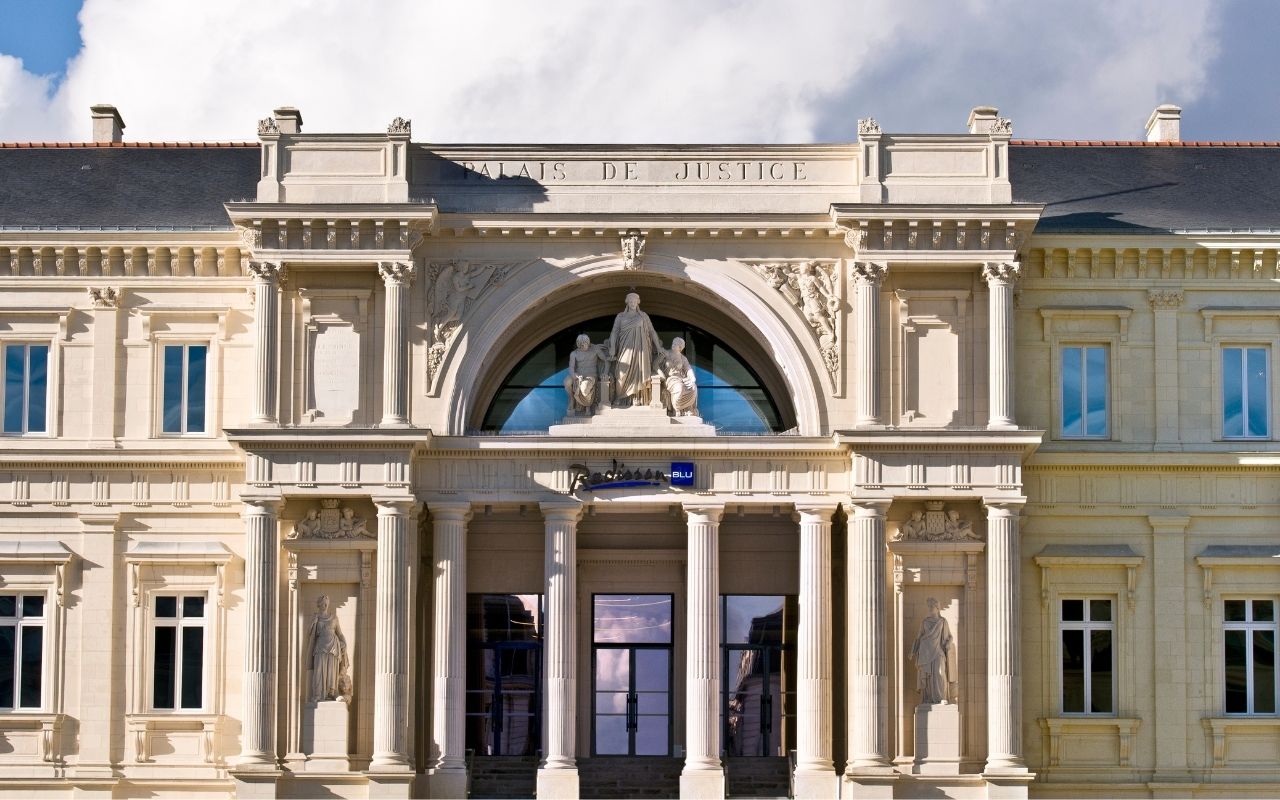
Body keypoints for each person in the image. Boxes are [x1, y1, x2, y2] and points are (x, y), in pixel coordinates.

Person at [607, 292, 663, 407]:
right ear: (627, 302)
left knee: (640, 371)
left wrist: (658, 346)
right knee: (621, 372)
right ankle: (620, 397)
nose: (632, 303)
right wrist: (612, 348)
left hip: (641, 349)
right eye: (630, 301)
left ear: (638, 302)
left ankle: (637, 398)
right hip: (625, 347)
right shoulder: (620, 316)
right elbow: (614, 332)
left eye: (634, 301)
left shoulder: (643, 316)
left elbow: (652, 331)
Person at [303, 595, 351, 703]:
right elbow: (309, 633)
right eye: (323, 603)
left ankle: (332, 693)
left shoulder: (334, 618)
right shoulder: (316, 617)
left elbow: (340, 633)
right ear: (319, 604)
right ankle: (318, 694)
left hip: (333, 646)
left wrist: (344, 643)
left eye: (326, 603)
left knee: (331, 670)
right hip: (320, 646)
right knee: (319, 670)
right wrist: (313, 622)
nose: (325, 605)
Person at [909, 597, 953, 705]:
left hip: (938, 651)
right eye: (929, 606)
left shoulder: (943, 622)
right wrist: (913, 651)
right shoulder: (925, 622)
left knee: (940, 673)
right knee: (928, 677)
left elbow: (949, 636)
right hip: (925, 652)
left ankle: (941, 697)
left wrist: (948, 643)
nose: (929, 609)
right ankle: (928, 698)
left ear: (937, 608)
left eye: (932, 606)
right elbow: (918, 637)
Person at [565, 334, 604, 415]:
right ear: (578, 344)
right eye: (580, 345)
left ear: (588, 342)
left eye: (584, 344)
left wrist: (606, 372)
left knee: (584, 386)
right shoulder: (574, 353)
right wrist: (575, 376)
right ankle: (572, 399)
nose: (582, 346)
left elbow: (605, 360)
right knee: (567, 382)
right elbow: (571, 368)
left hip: (591, 375)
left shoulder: (595, 350)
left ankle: (588, 406)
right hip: (578, 375)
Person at [662, 337, 699, 416]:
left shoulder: (683, 358)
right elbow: (656, 364)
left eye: (676, 344)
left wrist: (693, 378)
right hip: (670, 379)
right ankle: (677, 408)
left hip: (680, 379)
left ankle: (686, 408)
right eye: (673, 343)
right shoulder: (666, 353)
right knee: (679, 388)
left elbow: (688, 369)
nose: (673, 345)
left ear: (680, 347)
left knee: (693, 387)